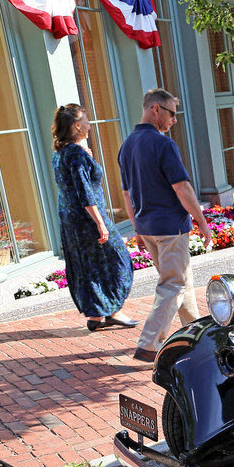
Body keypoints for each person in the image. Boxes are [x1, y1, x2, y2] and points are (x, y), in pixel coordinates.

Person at [119, 89, 212, 363]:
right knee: (173, 285)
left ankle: (197, 333)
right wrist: (203, 222)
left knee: (182, 281)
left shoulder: (127, 145)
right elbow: (182, 187)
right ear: (156, 109)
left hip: (149, 228)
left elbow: (127, 194)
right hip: (171, 228)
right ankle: (149, 344)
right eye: (172, 113)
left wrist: (136, 228)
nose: (174, 120)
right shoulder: (163, 145)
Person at [50, 104, 138, 332]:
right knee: (118, 259)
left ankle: (96, 315)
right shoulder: (76, 154)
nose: (90, 126)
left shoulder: (60, 154)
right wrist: (100, 223)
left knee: (88, 265)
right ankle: (114, 311)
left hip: (70, 220)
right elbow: (84, 191)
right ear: (78, 126)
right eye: (87, 122)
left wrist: (84, 154)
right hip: (88, 218)